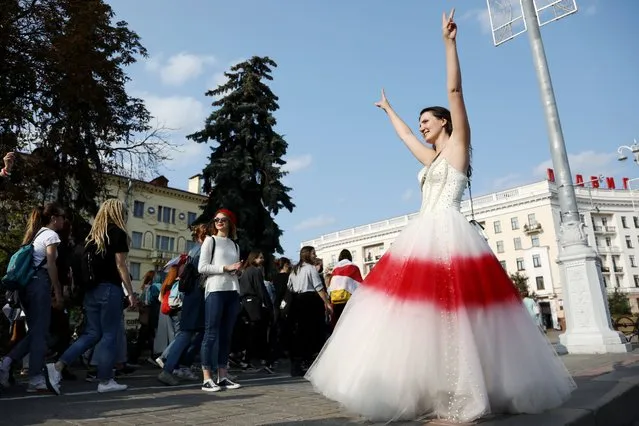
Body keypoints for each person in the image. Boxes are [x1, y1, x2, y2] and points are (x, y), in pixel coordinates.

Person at [305, 10, 576, 424]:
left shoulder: (457, 147)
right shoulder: (431, 158)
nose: (422, 127)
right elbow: (404, 137)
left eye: (427, 121)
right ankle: (431, 387)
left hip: (448, 233)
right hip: (422, 232)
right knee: (420, 317)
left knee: (457, 314)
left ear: (445, 122)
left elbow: (454, 90)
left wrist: (449, 44)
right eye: (421, 123)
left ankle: (469, 390)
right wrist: (389, 109)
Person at [47, 198, 138, 393]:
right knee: (109, 335)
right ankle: (105, 380)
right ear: (116, 213)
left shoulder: (92, 238)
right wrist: (130, 293)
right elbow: (120, 265)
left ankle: (57, 366)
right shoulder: (118, 234)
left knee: (91, 333)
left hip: (91, 292)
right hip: (109, 290)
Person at [0, 203, 66, 394]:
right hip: (39, 284)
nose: (63, 220)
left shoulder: (37, 234)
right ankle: (35, 379)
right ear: (54, 218)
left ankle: (6, 363)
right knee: (39, 333)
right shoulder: (51, 236)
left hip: (27, 286)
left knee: (37, 331)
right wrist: (58, 292)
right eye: (61, 216)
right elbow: (51, 265)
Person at [198, 209, 242, 392]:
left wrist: (237, 271)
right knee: (211, 333)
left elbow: (233, 269)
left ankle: (222, 376)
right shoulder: (210, 240)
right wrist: (226, 267)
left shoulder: (235, 245)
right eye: (216, 219)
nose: (219, 222)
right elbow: (202, 267)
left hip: (232, 290)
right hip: (215, 289)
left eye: (223, 219)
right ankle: (206, 377)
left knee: (226, 335)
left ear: (230, 222)